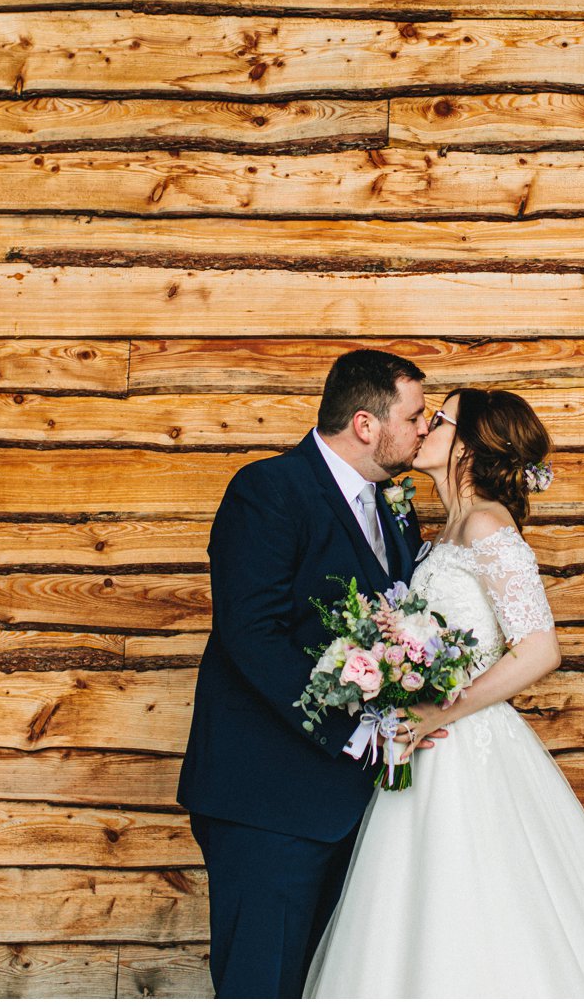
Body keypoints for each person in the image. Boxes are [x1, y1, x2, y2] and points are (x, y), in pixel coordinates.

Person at [305, 388, 584, 997]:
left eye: (441, 418)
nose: (426, 426)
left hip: (466, 742)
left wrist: (438, 709)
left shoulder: (485, 523)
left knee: (481, 901)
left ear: (471, 445)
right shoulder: (440, 531)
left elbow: (539, 648)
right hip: (425, 745)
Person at [177, 348, 440, 998]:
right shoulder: (268, 491)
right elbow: (252, 636)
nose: (424, 429)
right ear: (365, 424)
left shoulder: (395, 507)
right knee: (262, 988)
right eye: (415, 416)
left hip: (354, 807)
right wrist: (355, 730)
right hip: (269, 800)